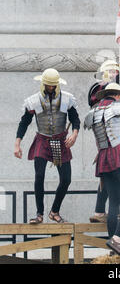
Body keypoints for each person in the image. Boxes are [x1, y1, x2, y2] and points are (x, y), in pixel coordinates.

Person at [14, 68, 80, 224]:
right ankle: (39, 214)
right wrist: (17, 144)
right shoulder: (34, 100)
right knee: (39, 176)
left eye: (53, 85)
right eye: (48, 85)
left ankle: (54, 211)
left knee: (66, 179)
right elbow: (24, 123)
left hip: (60, 140)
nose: (51, 88)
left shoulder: (67, 99)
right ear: (43, 84)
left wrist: (74, 134)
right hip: (42, 140)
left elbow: (75, 119)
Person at [84, 83, 120, 259]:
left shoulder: (92, 113)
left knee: (114, 202)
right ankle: (116, 239)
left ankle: (112, 247)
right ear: (117, 95)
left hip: (104, 157)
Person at [88, 59, 120, 223]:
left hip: (114, 136)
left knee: (109, 175)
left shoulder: (117, 88)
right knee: (112, 175)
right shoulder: (99, 90)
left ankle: (101, 210)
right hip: (111, 138)